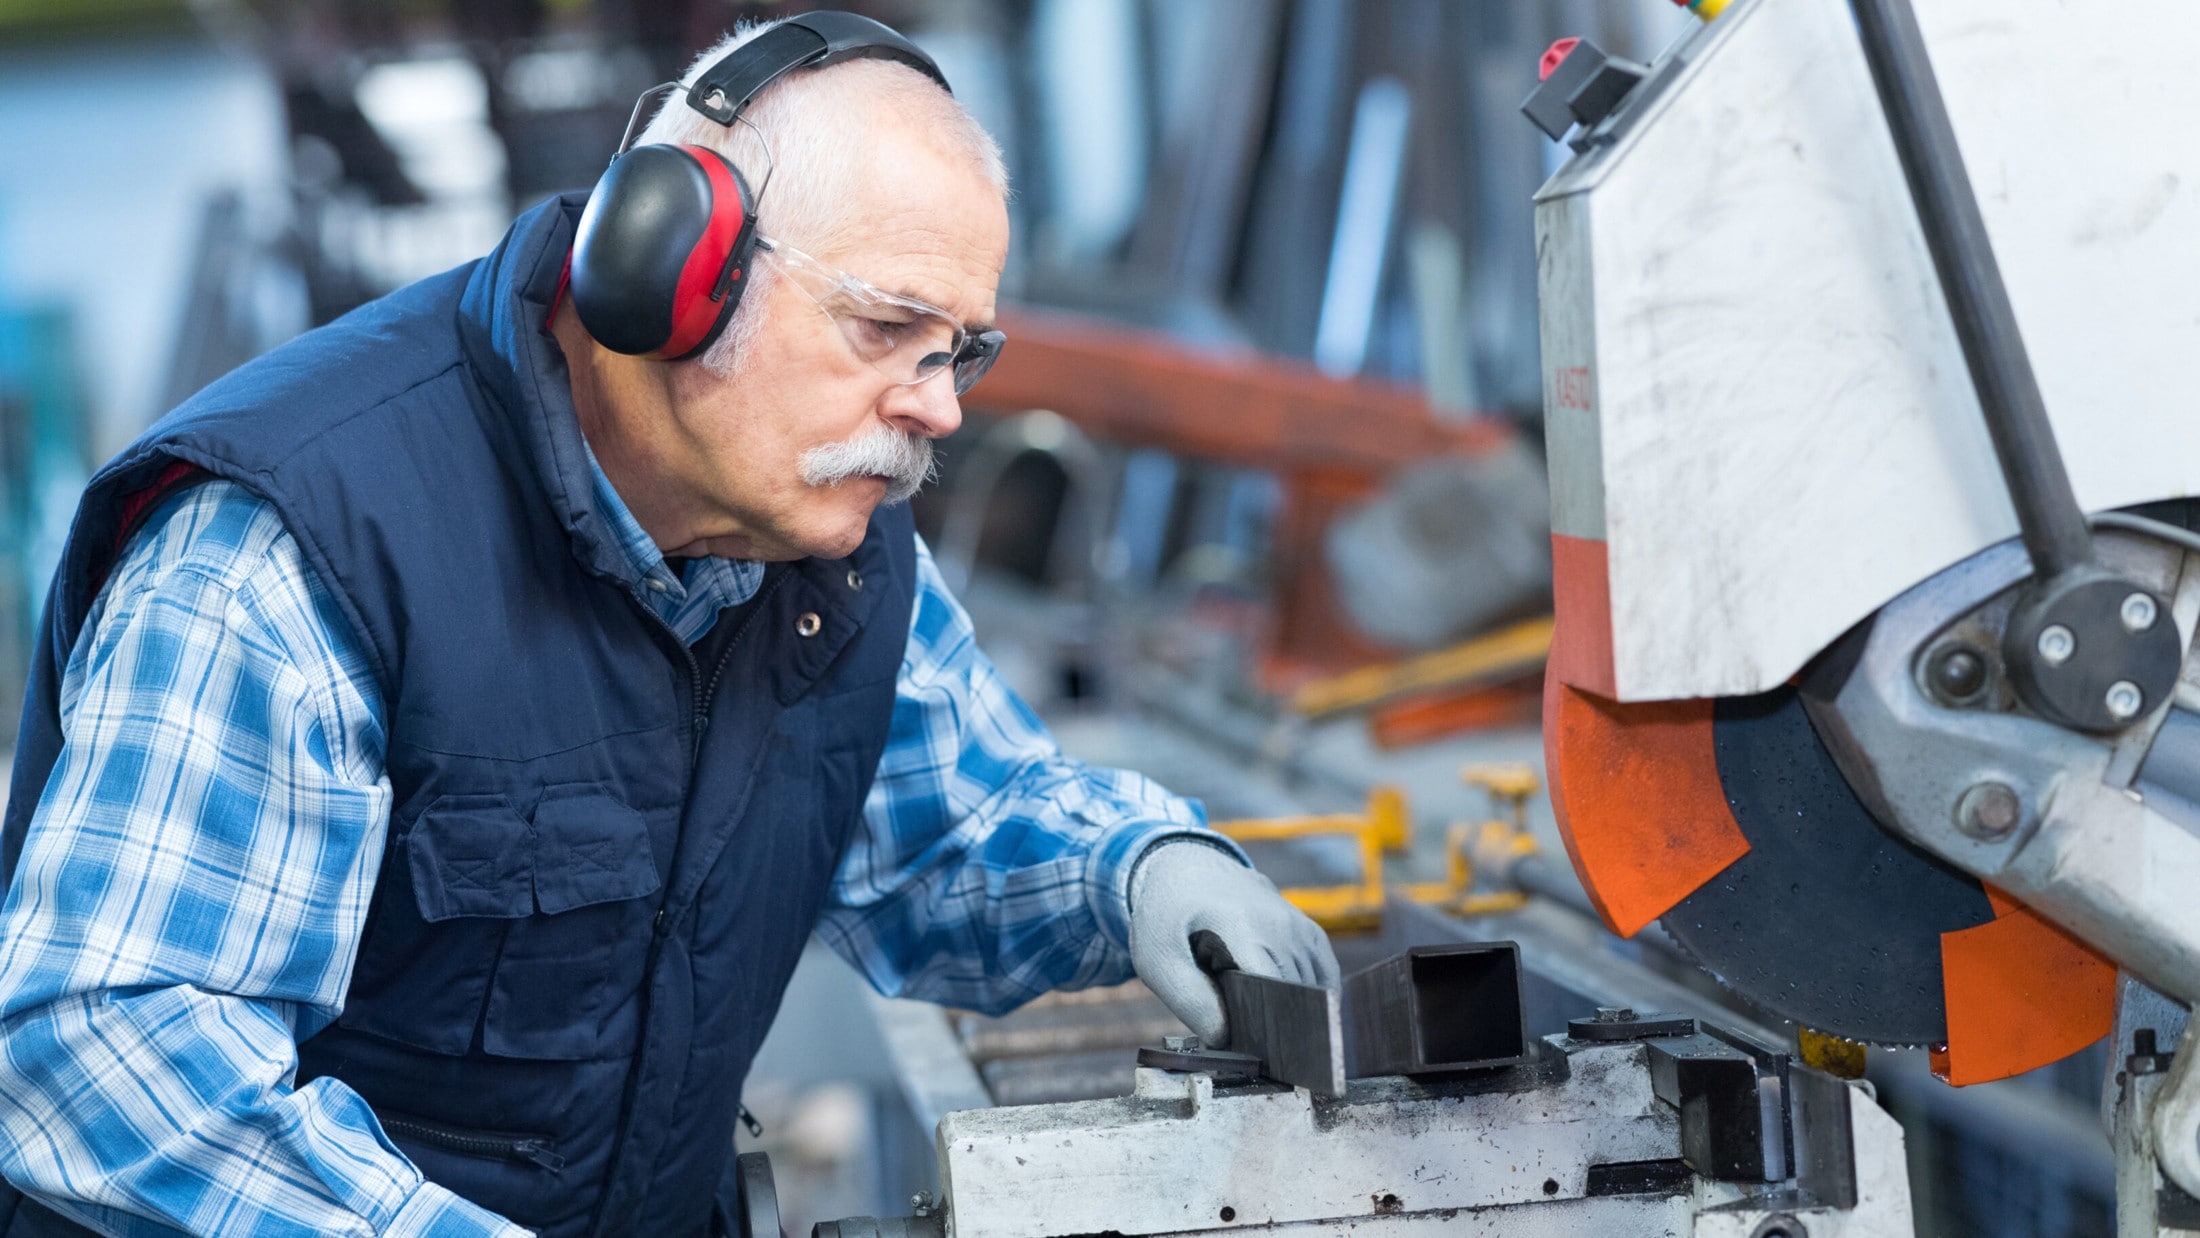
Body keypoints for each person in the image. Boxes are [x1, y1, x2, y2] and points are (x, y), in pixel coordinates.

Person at [0, 13, 1336, 1238]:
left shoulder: (832, 549)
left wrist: (1141, 868)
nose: (938, 406)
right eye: (888, 329)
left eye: (958, 350)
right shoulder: (301, 547)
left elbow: (951, 828)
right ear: (669, 273)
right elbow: (101, 1049)